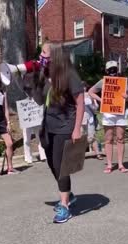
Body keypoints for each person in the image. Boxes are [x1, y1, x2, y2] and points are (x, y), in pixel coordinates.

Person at [31, 42, 84, 223]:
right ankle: (69, 194)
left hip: (65, 127)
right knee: (52, 165)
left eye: (44, 53)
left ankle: (64, 206)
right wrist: (32, 81)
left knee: (60, 166)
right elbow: (39, 101)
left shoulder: (69, 74)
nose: (41, 56)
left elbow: (80, 102)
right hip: (48, 127)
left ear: (54, 55)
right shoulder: (46, 74)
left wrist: (77, 128)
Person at [89, 61, 128, 174]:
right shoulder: (103, 82)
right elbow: (91, 91)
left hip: (121, 112)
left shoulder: (123, 82)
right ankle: (110, 165)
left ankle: (121, 164)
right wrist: (101, 100)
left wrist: (127, 97)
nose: (113, 72)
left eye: (114, 69)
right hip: (108, 113)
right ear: (107, 71)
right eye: (110, 70)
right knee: (108, 139)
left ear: (117, 70)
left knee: (120, 138)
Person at [82, 81, 102, 160]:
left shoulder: (90, 95)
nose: (83, 88)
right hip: (80, 119)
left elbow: (95, 108)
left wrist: (92, 102)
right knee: (80, 137)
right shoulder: (76, 96)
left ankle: (98, 153)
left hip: (90, 118)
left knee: (92, 136)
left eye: (84, 86)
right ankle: (80, 155)